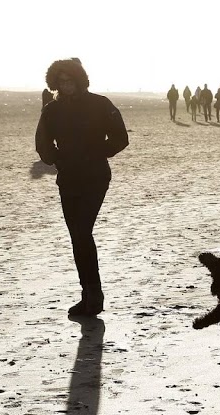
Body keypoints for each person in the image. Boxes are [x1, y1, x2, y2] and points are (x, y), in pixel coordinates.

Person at [35, 58, 129, 316]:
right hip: (68, 179)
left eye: (70, 81)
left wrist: (99, 153)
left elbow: (121, 137)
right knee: (77, 237)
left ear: (80, 79)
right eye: (61, 82)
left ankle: (95, 295)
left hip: (96, 177)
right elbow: (42, 144)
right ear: (55, 83)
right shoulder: (51, 111)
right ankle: (87, 294)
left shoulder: (101, 104)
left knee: (82, 232)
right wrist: (57, 159)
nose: (66, 86)